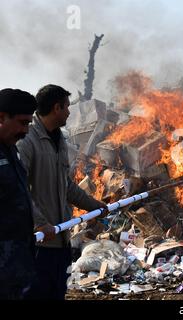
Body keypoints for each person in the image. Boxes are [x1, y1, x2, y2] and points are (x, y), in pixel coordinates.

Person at [17, 84, 108, 300]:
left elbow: (66, 186)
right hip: (38, 243)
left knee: (57, 294)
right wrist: (39, 222)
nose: (69, 112)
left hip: (61, 241)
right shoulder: (27, 141)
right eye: (66, 107)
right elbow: (18, 190)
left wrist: (94, 206)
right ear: (56, 108)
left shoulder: (60, 141)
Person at [0, 88, 37, 300]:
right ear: (2, 117)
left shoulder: (11, 149)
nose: (25, 131)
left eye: (29, 124)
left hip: (17, 265)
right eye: (22, 123)